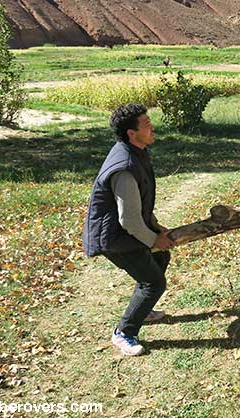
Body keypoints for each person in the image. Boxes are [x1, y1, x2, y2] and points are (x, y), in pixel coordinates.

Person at [82, 104, 176, 356]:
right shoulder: (124, 166)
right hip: (113, 237)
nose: (152, 126)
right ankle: (124, 333)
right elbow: (130, 220)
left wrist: (155, 227)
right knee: (153, 282)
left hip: (124, 230)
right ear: (132, 133)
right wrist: (153, 238)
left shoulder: (135, 152)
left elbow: (139, 201)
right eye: (146, 124)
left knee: (160, 257)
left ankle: (141, 309)